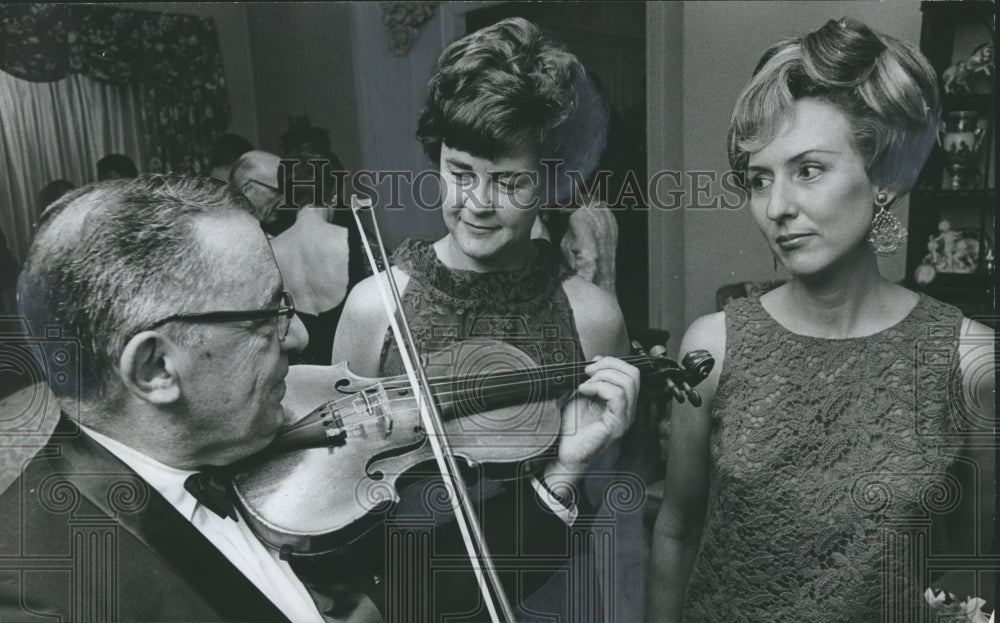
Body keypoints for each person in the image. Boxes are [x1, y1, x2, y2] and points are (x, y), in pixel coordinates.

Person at [0, 174, 639, 622]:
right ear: (156, 367)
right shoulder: (40, 595)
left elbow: (402, 594)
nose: (302, 334)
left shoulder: (240, 447)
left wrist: (561, 475)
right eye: (270, 313)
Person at [646, 19, 996, 623]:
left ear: (881, 175)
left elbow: (972, 559)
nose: (777, 207)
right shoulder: (715, 346)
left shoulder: (967, 361)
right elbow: (676, 532)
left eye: (808, 170)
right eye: (760, 179)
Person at [333, 17, 639, 623]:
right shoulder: (376, 305)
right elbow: (341, 492)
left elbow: (605, 505)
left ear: (550, 179)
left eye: (507, 181)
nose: (475, 202)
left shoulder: (593, 315)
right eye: (459, 170)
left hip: (548, 600)